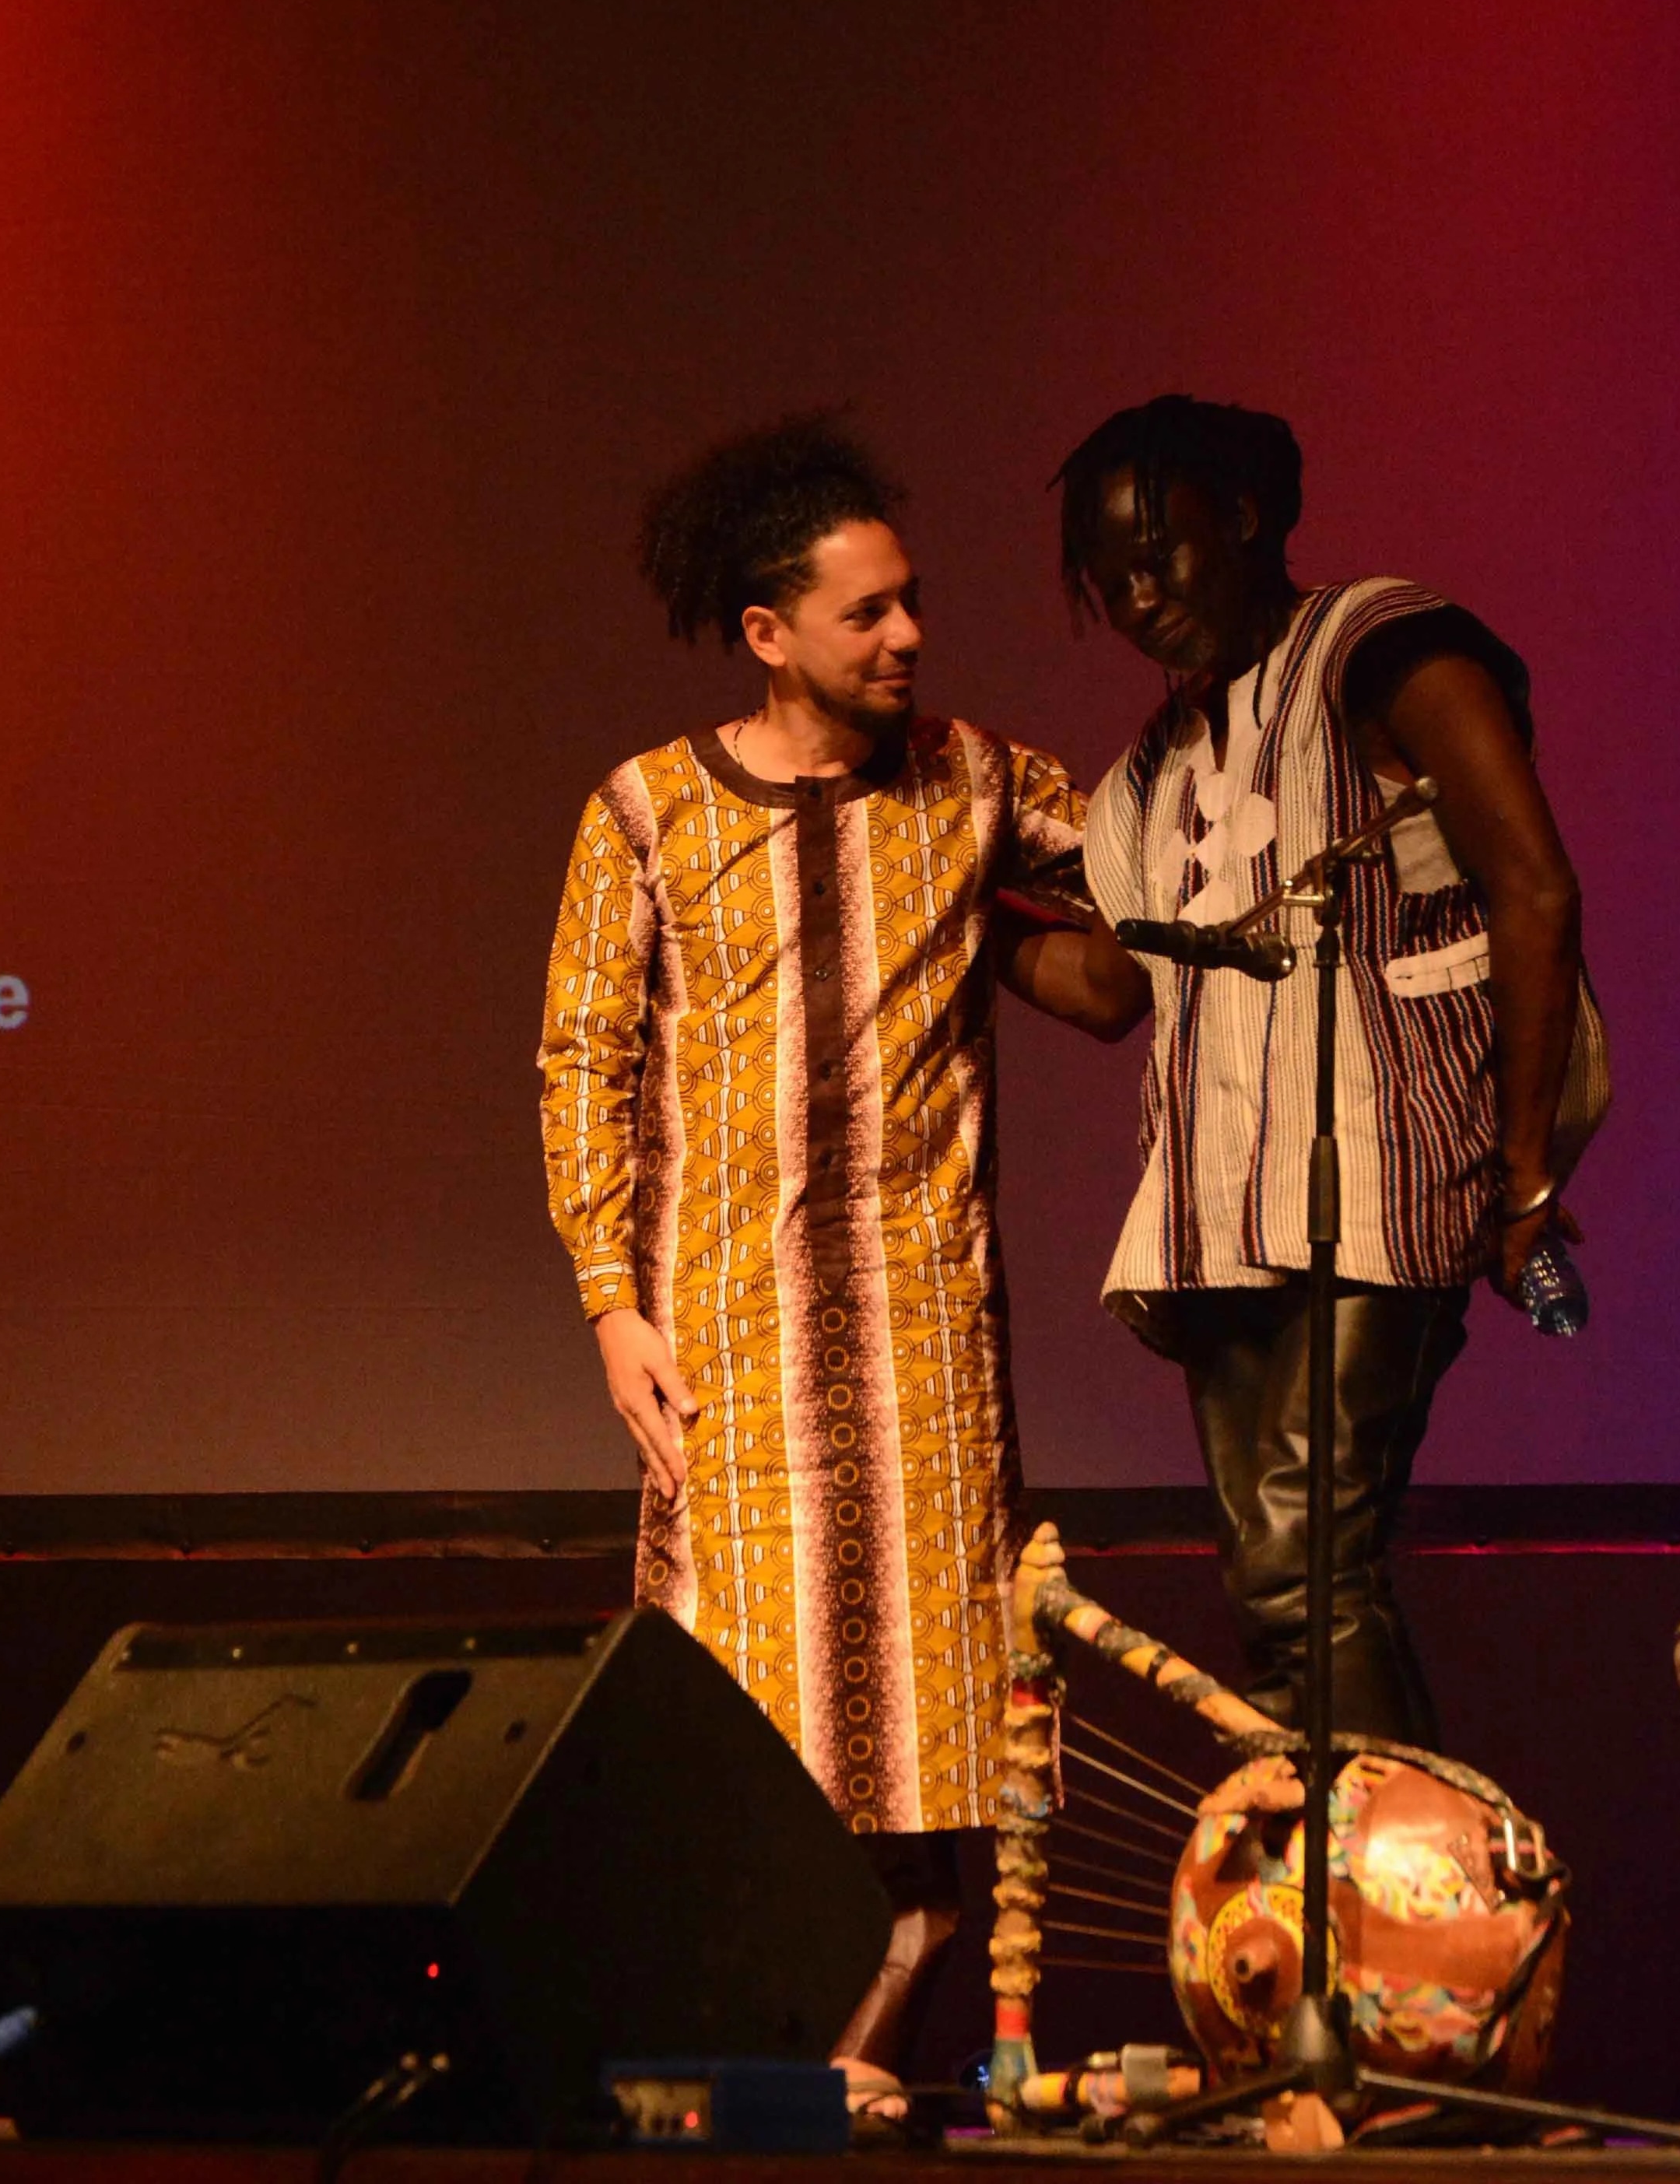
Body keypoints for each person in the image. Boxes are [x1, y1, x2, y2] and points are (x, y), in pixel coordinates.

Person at [537, 414, 1116, 2100]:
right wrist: (608, 1302)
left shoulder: (978, 784)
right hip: (726, 1336)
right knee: (745, 1719)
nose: (909, 636)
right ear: (769, 633)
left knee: (927, 1737)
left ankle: (847, 2073)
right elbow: (586, 1061)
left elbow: (1144, 897)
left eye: (911, 602)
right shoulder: (647, 812)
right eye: (865, 614)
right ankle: (760, 2063)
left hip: (919, 1344)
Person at [1039, 394, 1610, 1750]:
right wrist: (964, 915)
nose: (1138, 595)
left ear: (1241, 519)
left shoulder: (1386, 651)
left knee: (1305, 1570)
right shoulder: (1147, 776)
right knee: (1280, 1590)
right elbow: (1118, 988)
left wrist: (1524, 1175)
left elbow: (1533, 888)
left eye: (1159, 552)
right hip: (1221, 1211)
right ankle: (1347, 1898)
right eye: (1108, 580)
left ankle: (1411, 1916)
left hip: (1379, 1175)